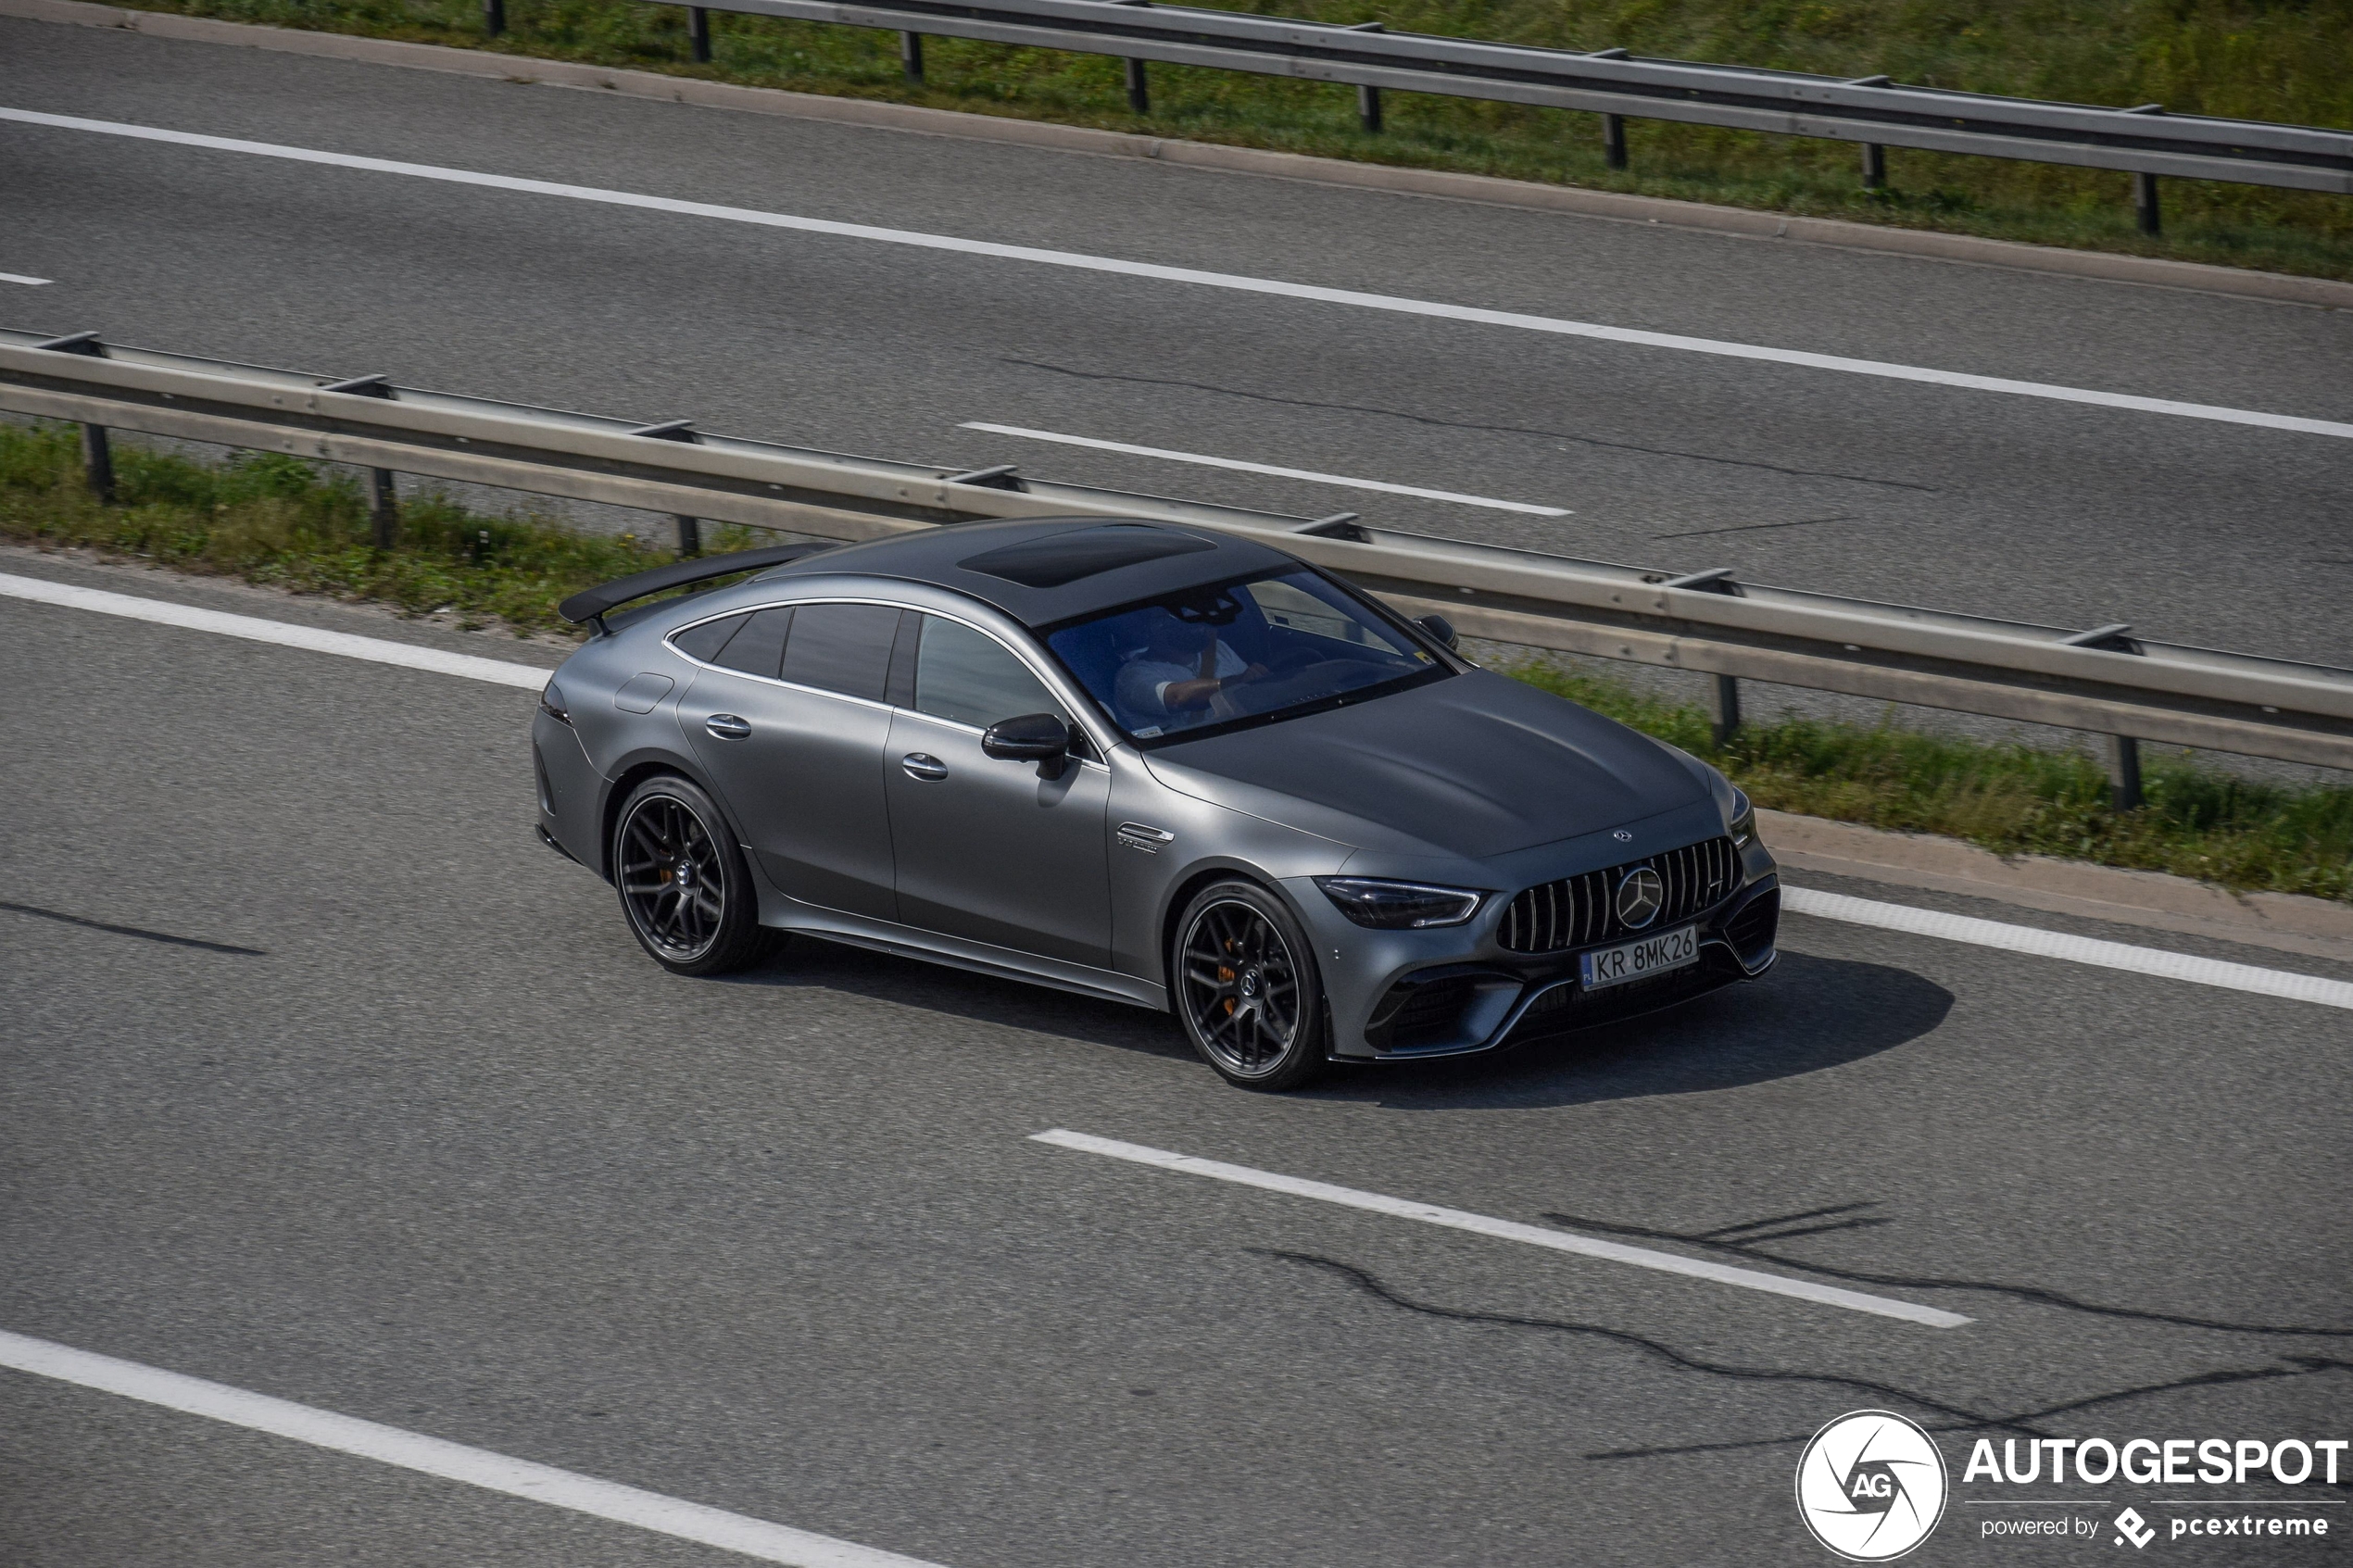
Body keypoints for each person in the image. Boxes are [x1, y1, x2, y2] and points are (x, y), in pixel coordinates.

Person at [1114, 608, 1267, 725]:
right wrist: (1236, 682)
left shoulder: (1218, 648)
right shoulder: (1132, 676)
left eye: (1201, 621)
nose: (1200, 628)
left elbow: (1251, 692)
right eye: (1188, 623)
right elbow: (1177, 698)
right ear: (1157, 627)